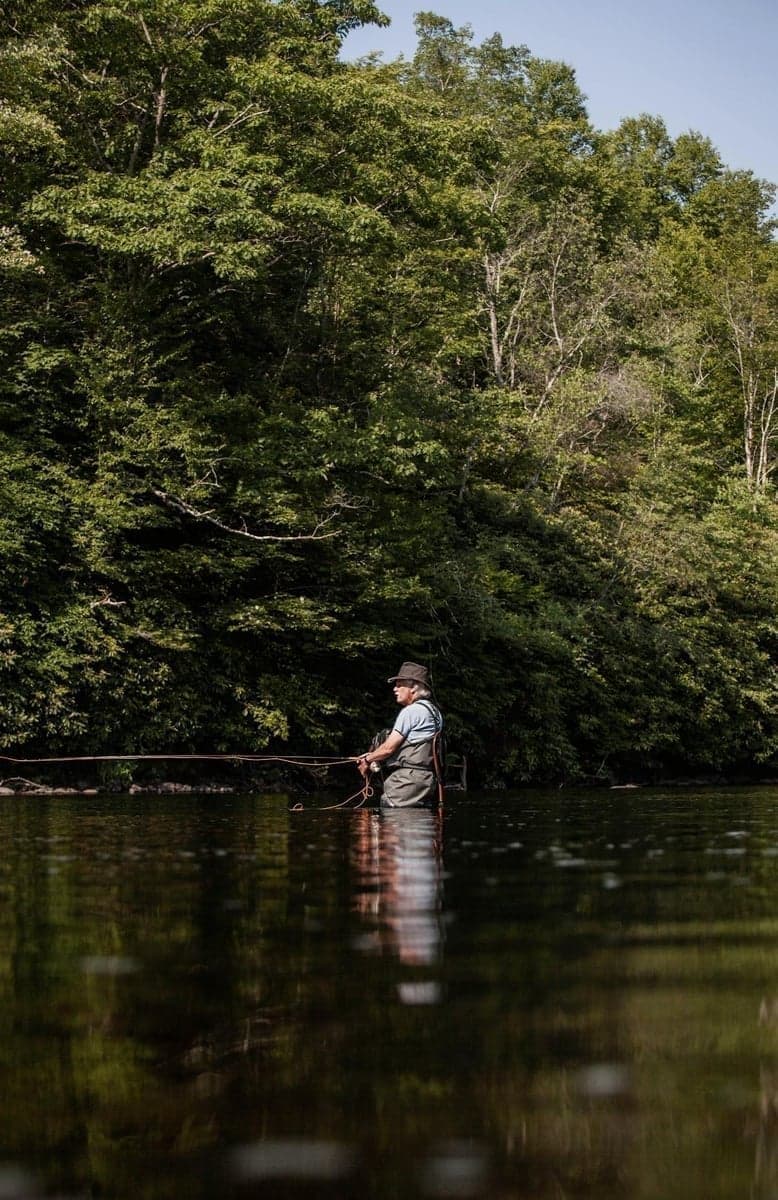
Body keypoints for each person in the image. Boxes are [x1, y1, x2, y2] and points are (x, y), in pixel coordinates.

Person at [355, 662, 444, 808]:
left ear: (414, 687)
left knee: (392, 822)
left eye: (399, 685)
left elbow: (388, 749)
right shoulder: (434, 712)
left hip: (407, 783)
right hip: (427, 781)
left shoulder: (411, 711)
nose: (394, 689)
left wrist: (367, 759)